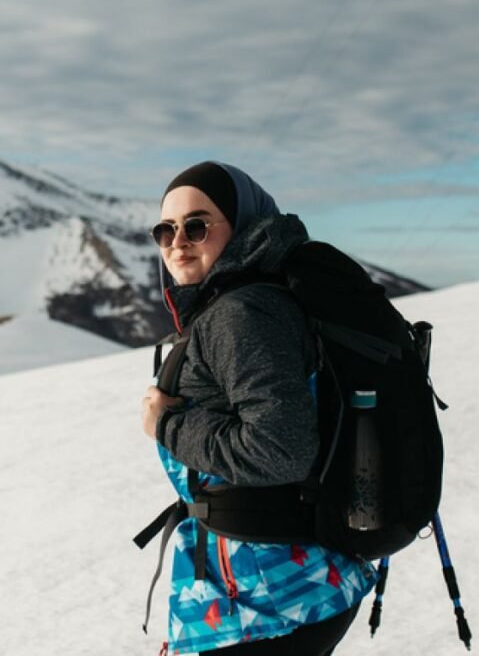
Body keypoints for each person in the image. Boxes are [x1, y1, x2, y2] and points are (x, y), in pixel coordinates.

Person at [140, 161, 376, 655]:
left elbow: (280, 449)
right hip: (286, 583)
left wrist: (168, 425)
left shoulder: (241, 313)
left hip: (267, 600)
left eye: (196, 226)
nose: (177, 243)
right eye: (165, 230)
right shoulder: (242, 300)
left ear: (242, 224)